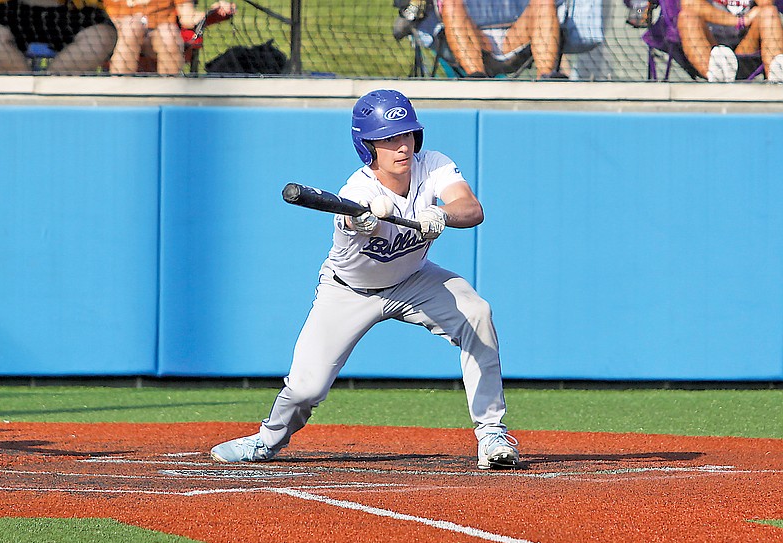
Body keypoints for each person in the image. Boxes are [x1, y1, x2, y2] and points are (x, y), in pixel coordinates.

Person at [211, 89, 520, 471]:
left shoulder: (434, 165)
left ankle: (491, 434)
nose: (401, 146)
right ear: (368, 145)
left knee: (477, 312)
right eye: (388, 139)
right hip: (348, 291)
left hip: (413, 280)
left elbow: (471, 208)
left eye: (405, 134)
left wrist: (440, 214)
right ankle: (267, 439)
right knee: (307, 388)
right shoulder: (357, 191)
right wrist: (361, 222)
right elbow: (347, 216)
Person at [440, 0, 566, 78]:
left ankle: (546, 77)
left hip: (517, 37)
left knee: (544, 2)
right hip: (476, 42)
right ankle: (476, 77)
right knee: (451, 4)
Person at [103, 0, 234, 74]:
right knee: (132, 27)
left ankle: (169, 96)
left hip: (156, 35)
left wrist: (214, 11)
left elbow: (188, 18)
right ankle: (120, 94)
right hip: (118, 34)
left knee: (168, 33)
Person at [0, 0, 117, 73]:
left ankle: (52, 92)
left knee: (101, 36)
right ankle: (22, 91)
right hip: (7, 8)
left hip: (73, 9)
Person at [677, 0, 783, 81]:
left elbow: (766, 2)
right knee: (687, 16)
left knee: (769, 12)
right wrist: (740, 21)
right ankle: (715, 76)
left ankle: (777, 78)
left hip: (746, 49)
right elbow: (689, 3)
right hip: (709, 48)